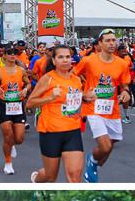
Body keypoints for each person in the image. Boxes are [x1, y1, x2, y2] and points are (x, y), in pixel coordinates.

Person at [73, 30, 132, 183]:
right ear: (99, 43)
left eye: (114, 40)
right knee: (105, 147)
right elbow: (72, 76)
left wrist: (126, 92)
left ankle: (93, 165)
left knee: (111, 144)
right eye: (107, 40)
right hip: (93, 108)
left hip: (112, 109)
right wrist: (82, 93)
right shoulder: (88, 60)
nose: (112, 43)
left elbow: (124, 84)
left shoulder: (122, 64)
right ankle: (92, 161)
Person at [26, 45, 91, 183]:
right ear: (54, 61)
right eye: (60, 57)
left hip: (73, 131)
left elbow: (73, 100)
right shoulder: (47, 79)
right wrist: (50, 98)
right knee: (50, 176)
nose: (65, 60)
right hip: (51, 132)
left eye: (67, 57)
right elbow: (30, 103)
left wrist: (86, 97)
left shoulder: (76, 80)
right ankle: (36, 179)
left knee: (75, 176)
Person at [0, 46, 32, 175]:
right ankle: (8, 163)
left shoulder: (21, 70)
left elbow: (28, 83)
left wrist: (25, 89)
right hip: (4, 106)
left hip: (18, 107)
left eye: (15, 53)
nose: (12, 55)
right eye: (9, 53)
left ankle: (12, 144)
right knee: (8, 136)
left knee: (19, 138)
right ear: (5, 56)